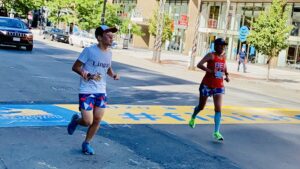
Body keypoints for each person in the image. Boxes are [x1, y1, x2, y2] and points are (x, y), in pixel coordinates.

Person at [67, 25, 120, 155]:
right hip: (87, 90)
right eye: (108, 35)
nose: (111, 37)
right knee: (87, 121)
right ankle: (76, 121)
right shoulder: (89, 51)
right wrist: (88, 75)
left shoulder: (109, 53)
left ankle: (86, 143)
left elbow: (107, 67)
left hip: (101, 91)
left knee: (97, 120)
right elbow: (76, 67)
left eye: (112, 35)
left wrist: (113, 74)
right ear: (99, 38)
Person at [188, 38, 230, 141]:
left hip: (219, 85)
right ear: (216, 46)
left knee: (218, 108)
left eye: (223, 46)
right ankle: (193, 117)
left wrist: (227, 75)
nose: (222, 48)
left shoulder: (224, 56)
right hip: (206, 85)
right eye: (220, 45)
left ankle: (216, 132)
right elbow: (199, 64)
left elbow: (224, 67)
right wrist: (209, 71)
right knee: (201, 106)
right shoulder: (211, 55)